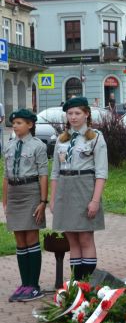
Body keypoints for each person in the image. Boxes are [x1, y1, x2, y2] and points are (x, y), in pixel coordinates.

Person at [50, 97, 108, 280]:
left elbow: (101, 173)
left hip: (85, 188)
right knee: (72, 240)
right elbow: (55, 172)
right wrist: (53, 199)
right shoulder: (61, 139)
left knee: (85, 238)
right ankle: (77, 284)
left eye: (77, 113)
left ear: (86, 114)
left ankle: (88, 284)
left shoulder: (96, 138)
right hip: (65, 190)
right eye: (70, 113)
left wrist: (95, 200)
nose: (73, 117)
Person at [3, 109, 48, 302]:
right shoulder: (9, 145)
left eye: (19, 123)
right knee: (19, 240)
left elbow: (43, 174)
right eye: (14, 123)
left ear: (30, 125)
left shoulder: (38, 146)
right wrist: (5, 200)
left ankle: (34, 285)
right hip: (14, 193)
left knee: (31, 237)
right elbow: (6, 175)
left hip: (31, 192)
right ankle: (24, 284)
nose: (15, 126)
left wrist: (43, 201)